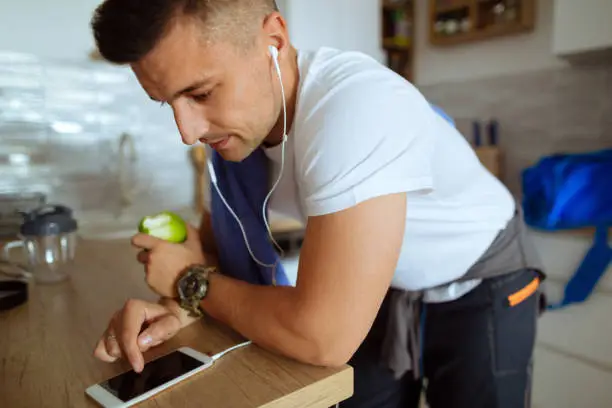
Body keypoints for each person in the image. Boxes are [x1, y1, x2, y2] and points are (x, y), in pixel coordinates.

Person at [90, 1, 545, 407]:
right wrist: (176, 310)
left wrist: (191, 283)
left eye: (202, 93)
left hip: (483, 275)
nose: (187, 131)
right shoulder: (236, 132)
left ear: (274, 40)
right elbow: (215, 254)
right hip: (391, 283)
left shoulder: (355, 109)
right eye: (166, 103)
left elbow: (321, 336)